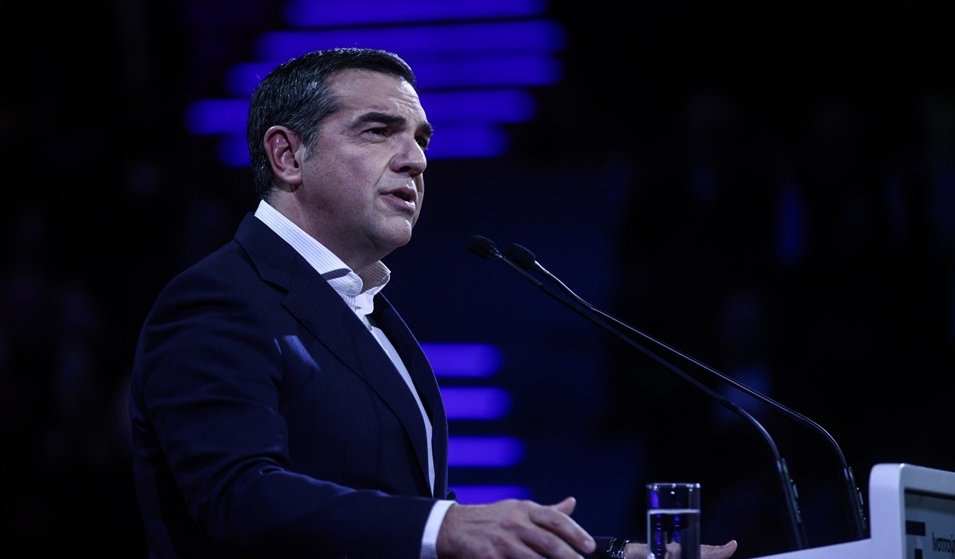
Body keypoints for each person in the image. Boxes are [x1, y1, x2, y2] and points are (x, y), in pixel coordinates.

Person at [129, 47, 739, 559]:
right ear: (289, 156)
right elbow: (237, 495)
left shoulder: (366, 310)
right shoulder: (219, 300)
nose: (416, 159)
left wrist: (612, 554)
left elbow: (409, 521)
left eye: (420, 139)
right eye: (378, 131)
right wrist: (444, 526)